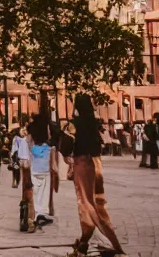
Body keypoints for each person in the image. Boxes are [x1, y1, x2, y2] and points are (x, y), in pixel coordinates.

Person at [61, 94, 124, 256]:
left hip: (83, 163)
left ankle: (105, 240)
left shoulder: (74, 124)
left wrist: (67, 158)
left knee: (86, 203)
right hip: (96, 163)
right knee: (98, 200)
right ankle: (86, 241)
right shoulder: (93, 123)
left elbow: (66, 145)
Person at [28, 117, 53, 228]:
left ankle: (35, 212)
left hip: (34, 170)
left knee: (35, 192)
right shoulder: (49, 148)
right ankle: (41, 212)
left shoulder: (32, 148)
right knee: (44, 192)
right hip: (46, 171)